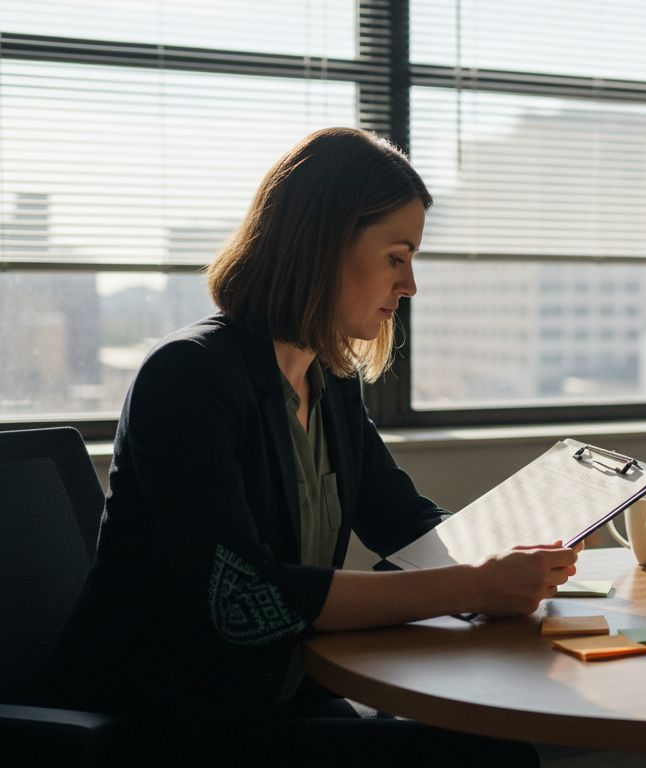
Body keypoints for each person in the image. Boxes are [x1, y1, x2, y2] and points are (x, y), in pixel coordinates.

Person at [55, 128, 577, 766]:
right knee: (491, 757)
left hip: (279, 699)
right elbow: (247, 601)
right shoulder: (185, 378)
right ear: (324, 245)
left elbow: (405, 523)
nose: (410, 285)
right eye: (396, 256)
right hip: (170, 724)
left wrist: (514, 557)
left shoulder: (328, 378)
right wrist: (470, 588)